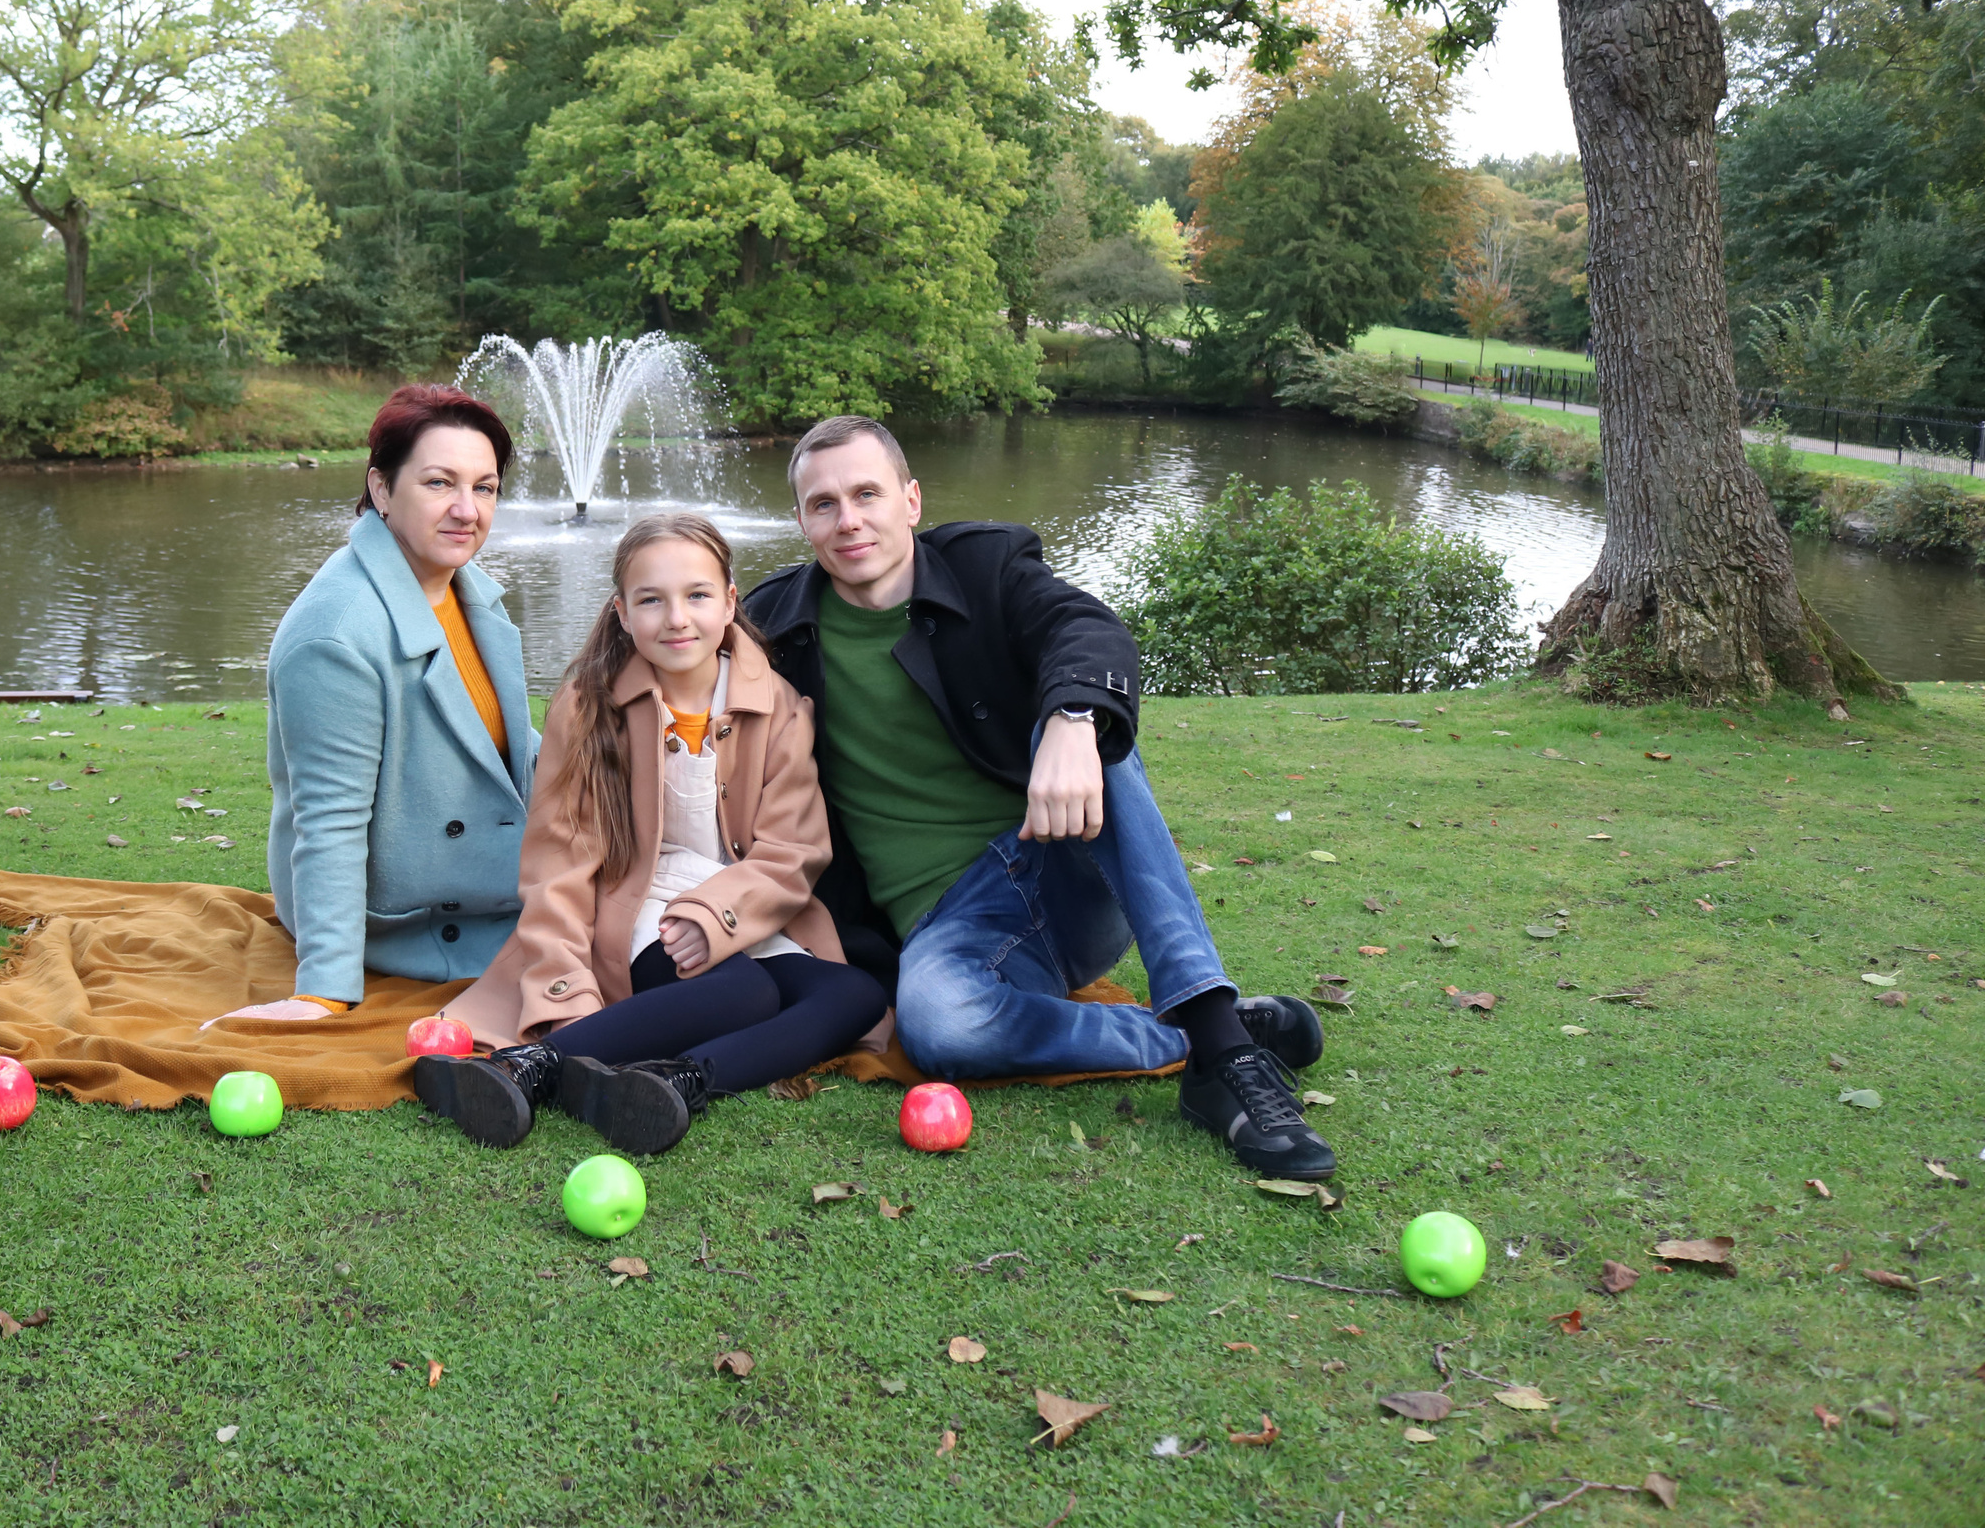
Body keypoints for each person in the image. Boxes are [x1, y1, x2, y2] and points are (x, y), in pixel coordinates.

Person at [741, 416, 1336, 1178]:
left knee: (1095, 727)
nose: (848, 519)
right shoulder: (776, 628)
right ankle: (1190, 1033)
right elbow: (672, 654)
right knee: (936, 1026)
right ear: (800, 520)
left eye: (867, 493)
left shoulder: (985, 565)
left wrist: (1073, 717)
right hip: (952, 924)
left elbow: (1085, 628)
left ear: (911, 500)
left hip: (1058, 859)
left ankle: (1222, 1051)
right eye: (823, 503)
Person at [421, 513, 887, 1153]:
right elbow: (557, 865)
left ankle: (678, 1080)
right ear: (621, 612)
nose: (677, 619)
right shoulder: (590, 706)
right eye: (651, 600)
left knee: (855, 994)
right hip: (638, 903)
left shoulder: (775, 703)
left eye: (697, 595)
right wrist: (566, 988)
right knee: (745, 993)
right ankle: (528, 1067)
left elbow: (794, 852)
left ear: (729, 603)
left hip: (739, 901)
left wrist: (717, 914)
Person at [219, 386, 538, 1030]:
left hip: (503, 874)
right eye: (439, 483)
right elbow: (330, 821)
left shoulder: (466, 593)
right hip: (419, 917)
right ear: (383, 489)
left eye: (484, 488)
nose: (465, 510)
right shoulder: (336, 636)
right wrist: (325, 988)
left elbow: (506, 747)